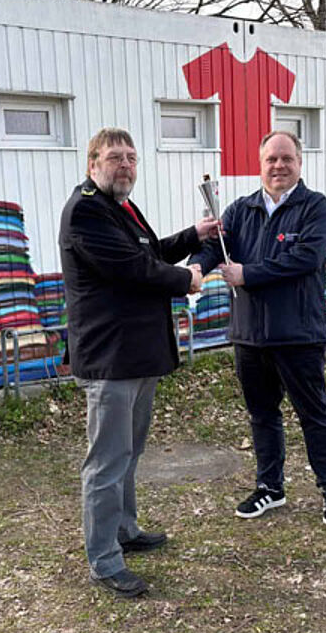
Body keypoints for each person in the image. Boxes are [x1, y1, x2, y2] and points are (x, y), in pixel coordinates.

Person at [60, 128, 217, 597]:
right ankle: (104, 559)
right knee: (106, 463)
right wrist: (186, 280)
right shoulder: (86, 210)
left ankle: (124, 531)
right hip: (111, 359)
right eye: (115, 157)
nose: (125, 164)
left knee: (129, 454)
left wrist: (194, 235)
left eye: (131, 157)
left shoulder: (120, 207)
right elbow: (133, 269)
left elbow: (149, 251)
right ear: (93, 164)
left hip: (137, 355)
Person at [189, 130, 326, 526]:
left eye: (286, 158)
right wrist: (195, 268)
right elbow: (215, 246)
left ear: (299, 163)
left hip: (298, 334)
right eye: (271, 159)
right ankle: (270, 488)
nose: (278, 166)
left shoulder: (314, 207)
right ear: (260, 165)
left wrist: (248, 274)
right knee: (262, 415)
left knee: (313, 415)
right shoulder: (240, 210)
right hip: (250, 335)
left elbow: (305, 258)